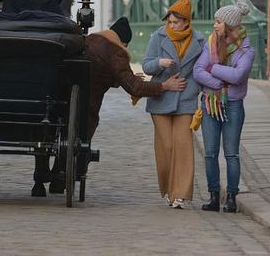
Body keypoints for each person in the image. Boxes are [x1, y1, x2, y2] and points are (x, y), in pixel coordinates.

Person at [41, 16, 189, 196]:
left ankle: (43, 175)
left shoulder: (90, 40)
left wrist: (125, 77)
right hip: (87, 106)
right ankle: (66, 174)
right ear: (123, 42)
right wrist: (164, 86)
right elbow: (135, 88)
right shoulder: (116, 53)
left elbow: (99, 70)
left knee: (56, 131)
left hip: (60, 99)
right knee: (81, 135)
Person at [142, 0, 205, 209]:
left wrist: (191, 90)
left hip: (185, 100)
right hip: (160, 99)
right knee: (166, 147)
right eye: (169, 22)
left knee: (183, 147)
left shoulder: (199, 41)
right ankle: (169, 189)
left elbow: (200, 72)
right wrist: (159, 63)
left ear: (186, 22)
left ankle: (181, 194)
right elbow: (147, 66)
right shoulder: (157, 37)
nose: (171, 26)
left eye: (176, 22)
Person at [193, 1, 254, 213]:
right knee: (210, 153)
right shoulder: (210, 43)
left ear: (229, 25)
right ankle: (213, 195)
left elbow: (238, 76)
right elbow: (198, 71)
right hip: (210, 104)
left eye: (218, 22)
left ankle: (231, 197)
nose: (214, 25)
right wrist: (218, 83)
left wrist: (214, 67)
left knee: (231, 154)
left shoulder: (246, 50)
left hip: (233, 105)